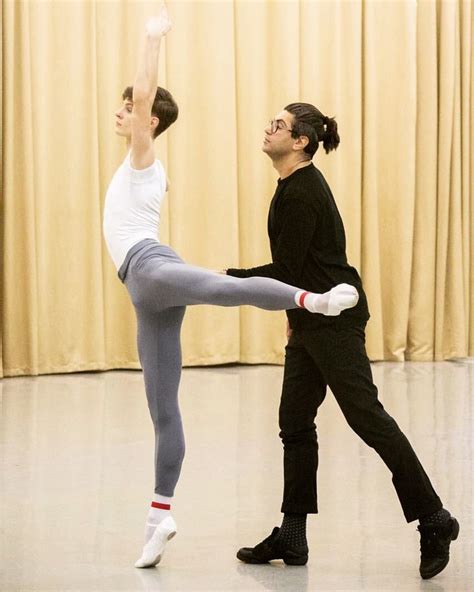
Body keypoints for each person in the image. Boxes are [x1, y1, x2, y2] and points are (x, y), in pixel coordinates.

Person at [102, 7, 359, 569]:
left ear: (149, 120)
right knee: (163, 410)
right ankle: (158, 516)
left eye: (131, 107)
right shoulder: (136, 162)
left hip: (150, 268)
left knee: (219, 288)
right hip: (142, 295)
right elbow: (142, 104)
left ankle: (311, 299)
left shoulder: (145, 157)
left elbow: (145, 96)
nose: (122, 112)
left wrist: (152, 39)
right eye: (124, 107)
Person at [226, 104, 459, 579]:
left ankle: (434, 518)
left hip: (335, 320)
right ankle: (293, 534)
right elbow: (300, 270)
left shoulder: (303, 192)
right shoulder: (293, 186)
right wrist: (293, 311)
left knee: (366, 418)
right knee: (294, 420)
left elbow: (289, 271)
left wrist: (227, 281)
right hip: (311, 317)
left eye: (278, 125)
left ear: (300, 142)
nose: (267, 128)